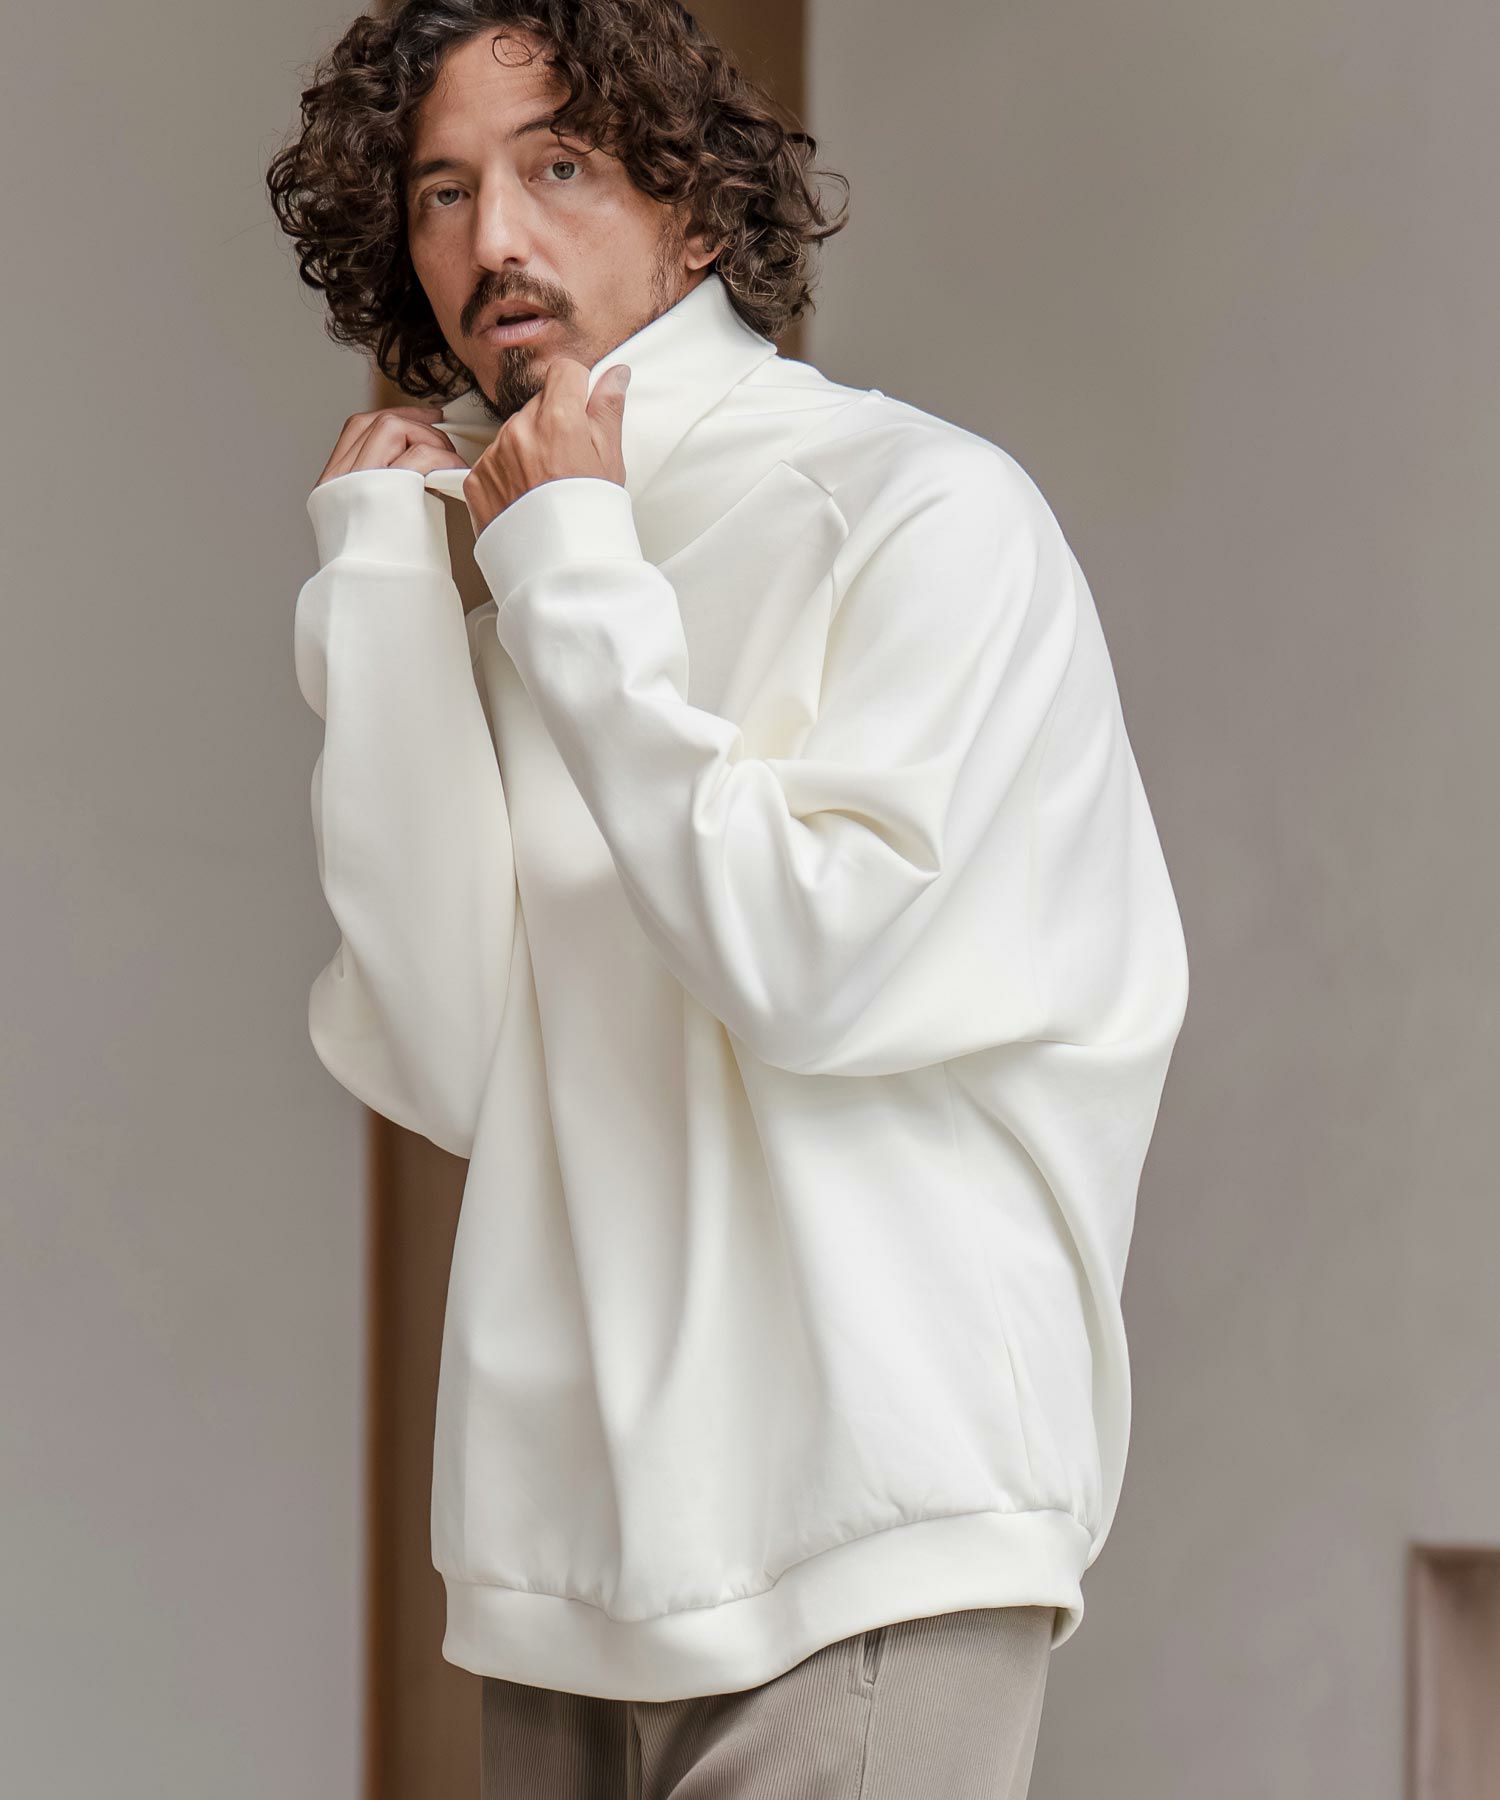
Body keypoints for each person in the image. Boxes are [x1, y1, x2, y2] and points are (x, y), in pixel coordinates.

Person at [268, 3, 1190, 1794]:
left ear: (697, 212)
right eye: (442, 191)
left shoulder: (921, 509)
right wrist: (378, 592)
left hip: (870, 1522)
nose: (493, 238)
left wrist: (567, 576)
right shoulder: (527, 570)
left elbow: (812, 963)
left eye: (557, 165)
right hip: (566, 1566)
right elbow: (456, 1060)